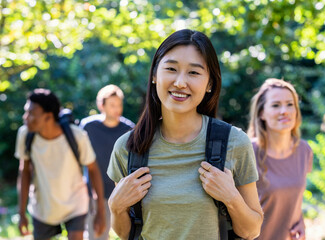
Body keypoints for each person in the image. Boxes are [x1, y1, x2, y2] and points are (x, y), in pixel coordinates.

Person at [106, 29, 264, 240]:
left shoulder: (234, 142)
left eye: (194, 72)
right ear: (154, 75)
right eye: (171, 69)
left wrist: (231, 197)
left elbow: (251, 230)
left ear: (209, 83)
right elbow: (127, 233)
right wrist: (115, 207)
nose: (180, 82)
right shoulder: (128, 147)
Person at [15, 88, 106, 240]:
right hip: (43, 207)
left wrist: (100, 212)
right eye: (26, 112)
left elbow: (93, 170)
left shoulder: (76, 136)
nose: (25, 117)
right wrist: (21, 212)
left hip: (75, 205)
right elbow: (24, 172)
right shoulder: (25, 135)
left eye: (31, 114)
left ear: (48, 117)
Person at [247, 79, 313, 240]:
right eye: (276, 105)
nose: (284, 111)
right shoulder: (246, 152)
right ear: (262, 113)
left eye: (290, 104)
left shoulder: (304, 150)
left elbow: (293, 196)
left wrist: (301, 221)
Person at [80, 84, 134, 240]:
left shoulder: (129, 129)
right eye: (112, 105)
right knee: (96, 236)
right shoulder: (88, 127)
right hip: (95, 194)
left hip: (122, 193)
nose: (117, 109)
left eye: (119, 104)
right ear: (101, 105)